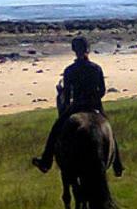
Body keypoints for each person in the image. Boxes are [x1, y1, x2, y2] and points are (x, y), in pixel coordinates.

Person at [32, 35, 123, 176]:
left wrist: (67, 107)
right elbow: (102, 90)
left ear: (74, 50)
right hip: (94, 106)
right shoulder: (96, 68)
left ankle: (46, 161)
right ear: (88, 49)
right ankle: (118, 164)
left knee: (56, 128)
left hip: (76, 106)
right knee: (109, 130)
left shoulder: (69, 70)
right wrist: (94, 99)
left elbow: (67, 95)